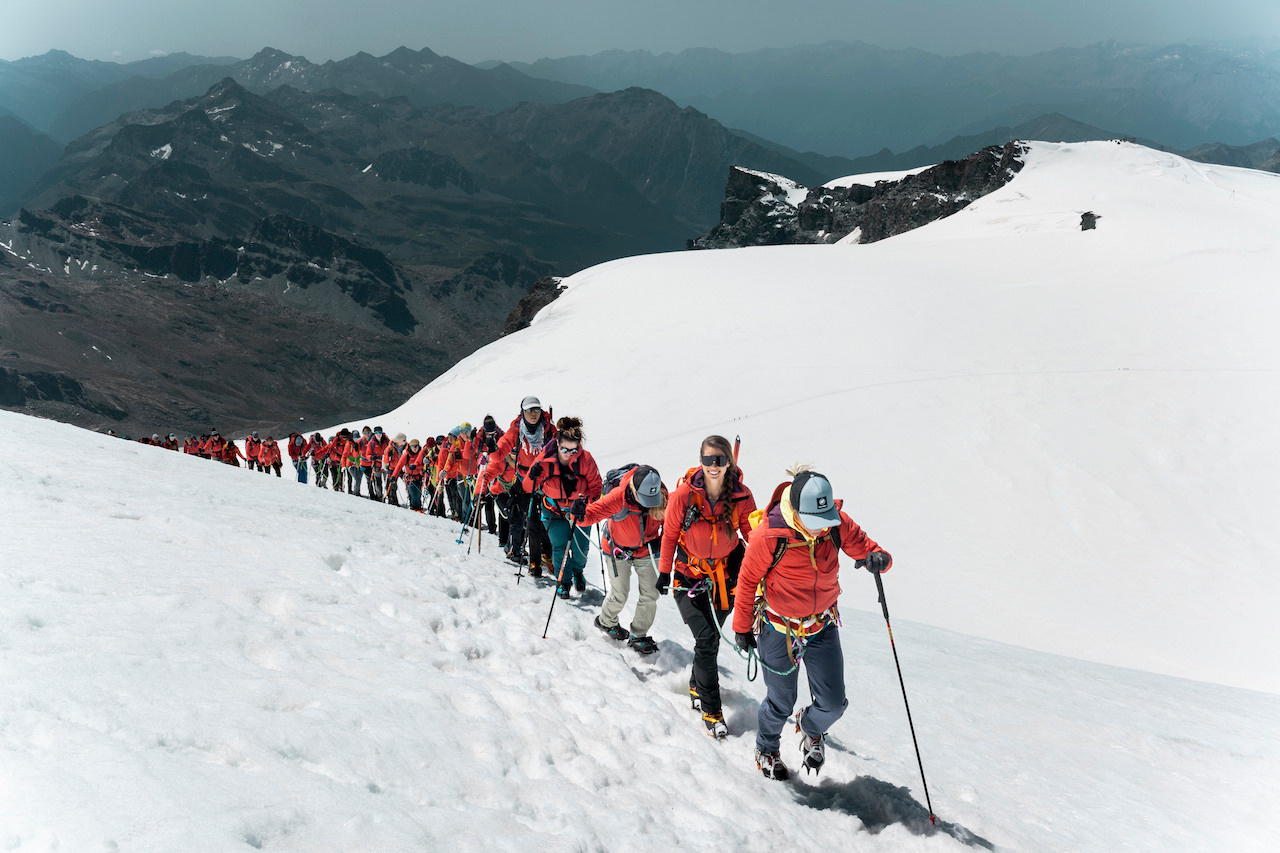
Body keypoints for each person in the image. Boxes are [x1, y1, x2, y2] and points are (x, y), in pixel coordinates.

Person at [731, 468, 892, 780]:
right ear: (796, 512)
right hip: (779, 629)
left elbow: (867, 547)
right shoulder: (769, 535)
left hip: (822, 627)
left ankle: (810, 726)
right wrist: (741, 628)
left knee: (833, 704)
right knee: (780, 702)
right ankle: (766, 748)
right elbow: (748, 580)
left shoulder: (835, 524)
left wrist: (879, 559)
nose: (822, 530)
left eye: (825, 521)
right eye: (815, 523)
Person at [658, 435, 757, 739]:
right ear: (700, 460)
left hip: (725, 580)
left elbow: (751, 534)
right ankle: (711, 711)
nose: (714, 466)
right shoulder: (683, 496)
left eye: (720, 460)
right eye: (708, 460)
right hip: (688, 578)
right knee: (707, 639)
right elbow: (670, 535)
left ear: (729, 462)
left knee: (708, 642)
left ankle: (695, 684)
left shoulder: (741, 496)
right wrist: (663, 572)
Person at [583, 465, 667, 655]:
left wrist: (661, 542)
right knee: (620, 593)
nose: (647, 504)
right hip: (617, 550)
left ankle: (638, 635)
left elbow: (670, 523)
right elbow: (590, 515)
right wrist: (578, 513)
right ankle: (606, 622)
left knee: (651, 594)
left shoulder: (662, 494)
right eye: (643, 499)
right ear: (634, 490)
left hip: (646, 552)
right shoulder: (618, 495)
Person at [521, 417, 601, 599]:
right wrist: (532, 476)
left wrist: (589, 502)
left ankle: (578, 572)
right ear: (557, 442)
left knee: (581, 550)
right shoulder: (545, 459)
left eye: (573, 450)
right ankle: (563, 582)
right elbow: (528, 487)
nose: (568, 454)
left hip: (579, 512)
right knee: (560, 548)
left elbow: (596, 486)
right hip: (553, 510)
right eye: (564, 449)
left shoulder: (586, 459)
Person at [485, 396, 556, 573]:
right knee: (532, 521)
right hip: (525, 482)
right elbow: (498, 456)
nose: (533, 413)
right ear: (522, 411)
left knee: (547, 521)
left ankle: (546, 555)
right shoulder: (516, 431)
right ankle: (536, 561)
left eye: (536, 409)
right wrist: (492, 448)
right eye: (529, 410)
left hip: (546, 482)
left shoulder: (549, 430)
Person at [384, 433, 409, 506]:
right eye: (403, 440)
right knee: (392, 485)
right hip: (392, 468)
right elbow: (385, 461)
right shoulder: (390, 447)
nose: (405, 441)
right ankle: (393, 501)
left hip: (402, 468)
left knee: (408, 483)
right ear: (399, 440)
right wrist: (388, 456)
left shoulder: (406, 447)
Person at [367, 427, 390, 501]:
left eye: (380, 432)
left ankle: (389, 497)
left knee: (387, 481)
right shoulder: (372, 443)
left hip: (385, 464)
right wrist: (371, 457)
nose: (378, 434)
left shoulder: (387, 441)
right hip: (376, 465)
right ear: (374, 433)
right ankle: (379, 497)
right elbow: (368, 454)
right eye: (377, 433)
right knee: (378, 482)